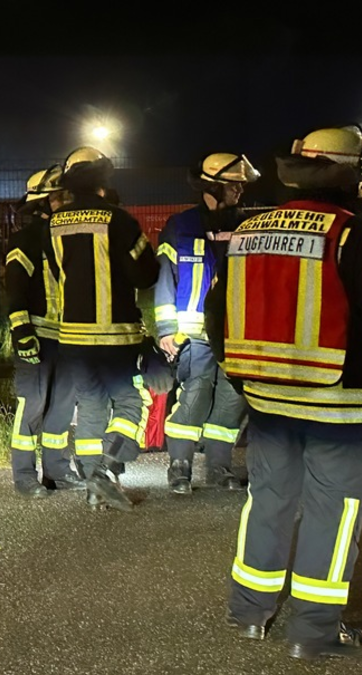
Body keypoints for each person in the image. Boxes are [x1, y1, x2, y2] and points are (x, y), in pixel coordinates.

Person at [206, 126, 362, 660]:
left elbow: (216, 313)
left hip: (267, 400)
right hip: (339, 403)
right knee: (333, 511)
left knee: (268, 500)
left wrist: (239, 376)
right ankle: (313, 632)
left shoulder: (248, 231)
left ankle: (249, 613)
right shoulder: (349, 232)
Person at [46, 146, 159, 511]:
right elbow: (146, 274)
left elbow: (58, 271)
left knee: (91, 406)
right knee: (130, 403)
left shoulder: (55, 222)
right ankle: (106, 471)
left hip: (72, 336)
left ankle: (94, 488)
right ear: (103, 180)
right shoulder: (120, 220)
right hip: (116, 335)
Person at [154, 153, 259, 494]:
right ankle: (179, 466)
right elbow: (165, 278)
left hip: (235, 333)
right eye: (233, 185)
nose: (240, 190)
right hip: (194, 334)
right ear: (212, 187)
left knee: (231, 399)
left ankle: (219, 466)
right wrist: (165, 329)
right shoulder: (181, 226)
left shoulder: (249, 226)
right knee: (196, 394)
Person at [5, 165, 84, 497]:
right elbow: (15, 291)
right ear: (41, 203)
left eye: (67, 196)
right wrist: (22, 332)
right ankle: (24, 476)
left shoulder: (73, 238)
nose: (65, 202)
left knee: (63, 407)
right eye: (58, 197)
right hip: (36, 338)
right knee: (32, 405)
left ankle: (57, 471)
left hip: (68, 338)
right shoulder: (25, 240)